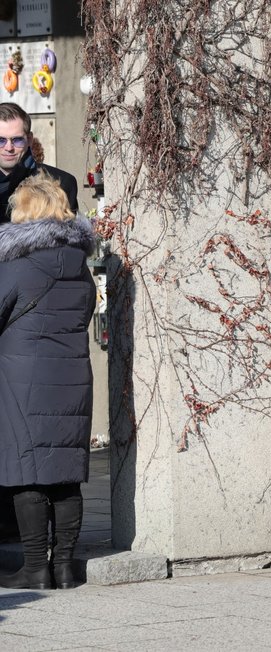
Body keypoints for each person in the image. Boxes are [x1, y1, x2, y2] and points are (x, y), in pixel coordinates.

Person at [0, 173, 96, 589]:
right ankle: (65, 567)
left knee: (28, 472)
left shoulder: (17, 267)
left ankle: (36, 568)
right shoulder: (80, 268)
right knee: (65, 473)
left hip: (24, 380)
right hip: (73, 376)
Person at [0, 102, 78, 222]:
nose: (9, 148)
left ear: (30, 139)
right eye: (1, 140)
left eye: (17, 140)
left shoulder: (62, 183)